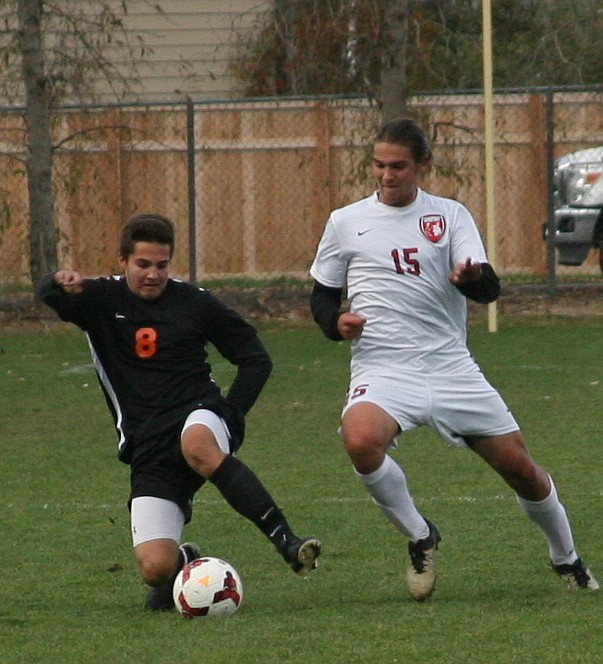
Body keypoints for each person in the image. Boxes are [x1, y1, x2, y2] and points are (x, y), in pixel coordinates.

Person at [309, 118, 597, 600]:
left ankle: (566, 558)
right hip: (383, 369)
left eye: (397, 165)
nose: (386, 175)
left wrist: (469, 278)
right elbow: (321, 297)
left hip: (450, 368)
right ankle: (421, 535)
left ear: (423, 164)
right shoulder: (345, 221)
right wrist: (334, 323)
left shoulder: (449, 216)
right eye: (378, 165)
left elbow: (489, 288)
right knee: (360, 441)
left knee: (521, 469)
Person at [36, 213, 321, 612]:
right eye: (143, 264)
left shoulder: (195, 302)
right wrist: (57, 280)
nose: (153, 274)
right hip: (147, 442)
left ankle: (287, 541)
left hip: (198, 415)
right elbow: (48, 294)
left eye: (162, 265)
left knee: (198, 444)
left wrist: (231, 416)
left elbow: (255, 359)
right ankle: (184, 562)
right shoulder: (102, 299)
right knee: (155, 569)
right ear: (123, 261)